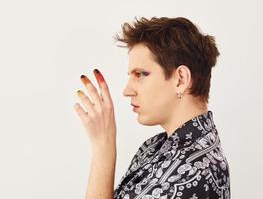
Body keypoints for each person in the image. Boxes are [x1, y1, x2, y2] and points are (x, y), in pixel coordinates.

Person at [74, 16, 230, 199]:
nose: (127, 91)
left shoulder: (194, 170)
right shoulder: (155, 146)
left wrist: (103, 145)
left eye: (141, 74)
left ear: (181, 79)